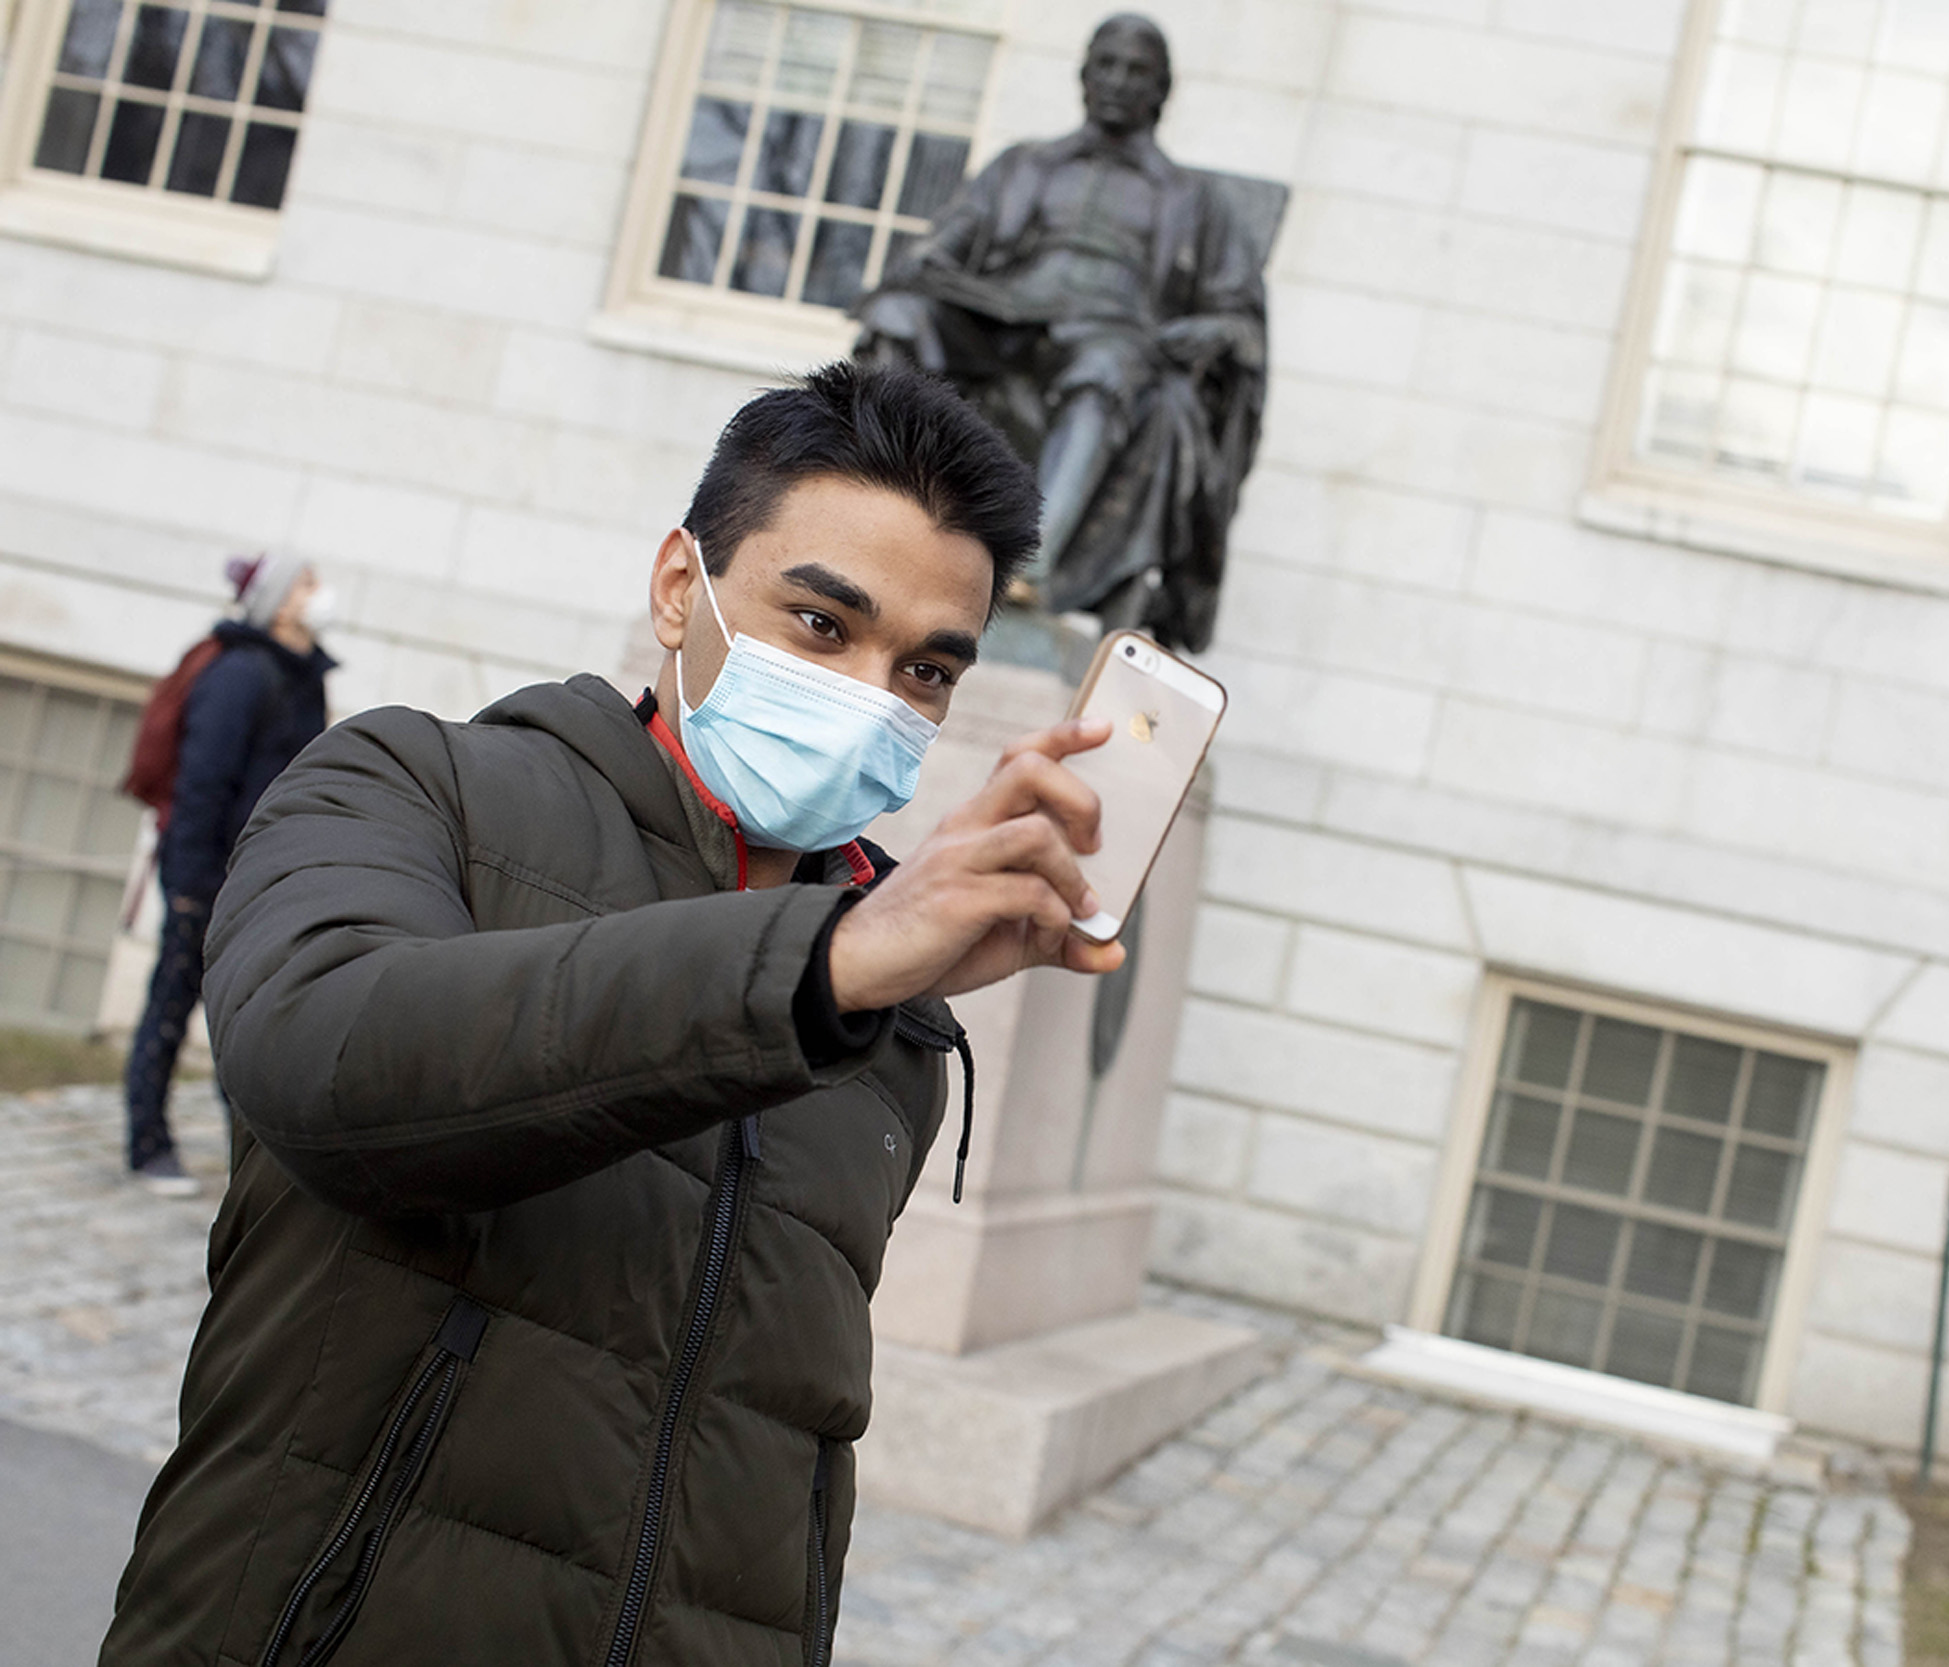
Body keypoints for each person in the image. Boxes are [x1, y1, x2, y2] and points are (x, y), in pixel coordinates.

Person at [100, 364, 1122, 1666]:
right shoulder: (414, 783)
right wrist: (819, 966)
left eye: (924, 669)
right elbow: (323, 1060)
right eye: (821, 624)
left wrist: (849, 971)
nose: (873, 694)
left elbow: (790, 1433)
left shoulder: (891, 1022)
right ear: (680, 586)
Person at [852, 11, 1266, 651]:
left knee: (1105, 368)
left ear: (1161, 90)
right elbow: (944, 245)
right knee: (898, 316)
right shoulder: (1023, 165)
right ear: (1083, 75)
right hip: (1002, 323)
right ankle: (872, 518)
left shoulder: (1195, 199)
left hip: (1110, 335)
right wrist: (929, 266)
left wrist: (1212, 332)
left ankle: (1028, 561)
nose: (1119, 81)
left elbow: (1239, 315)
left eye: (1137, 71)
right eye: (1107, 65)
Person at [124, 554, 335, 1197]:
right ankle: (148, 1145)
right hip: (208, 871)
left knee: (248, 1014)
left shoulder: (304, 676)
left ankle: (249, 1162)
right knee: (174, 1003)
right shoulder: (242, 674)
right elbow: (203, 783)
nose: (319, 593)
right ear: (278, 601)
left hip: (261, 873)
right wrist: (191, 886)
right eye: (305, 583)